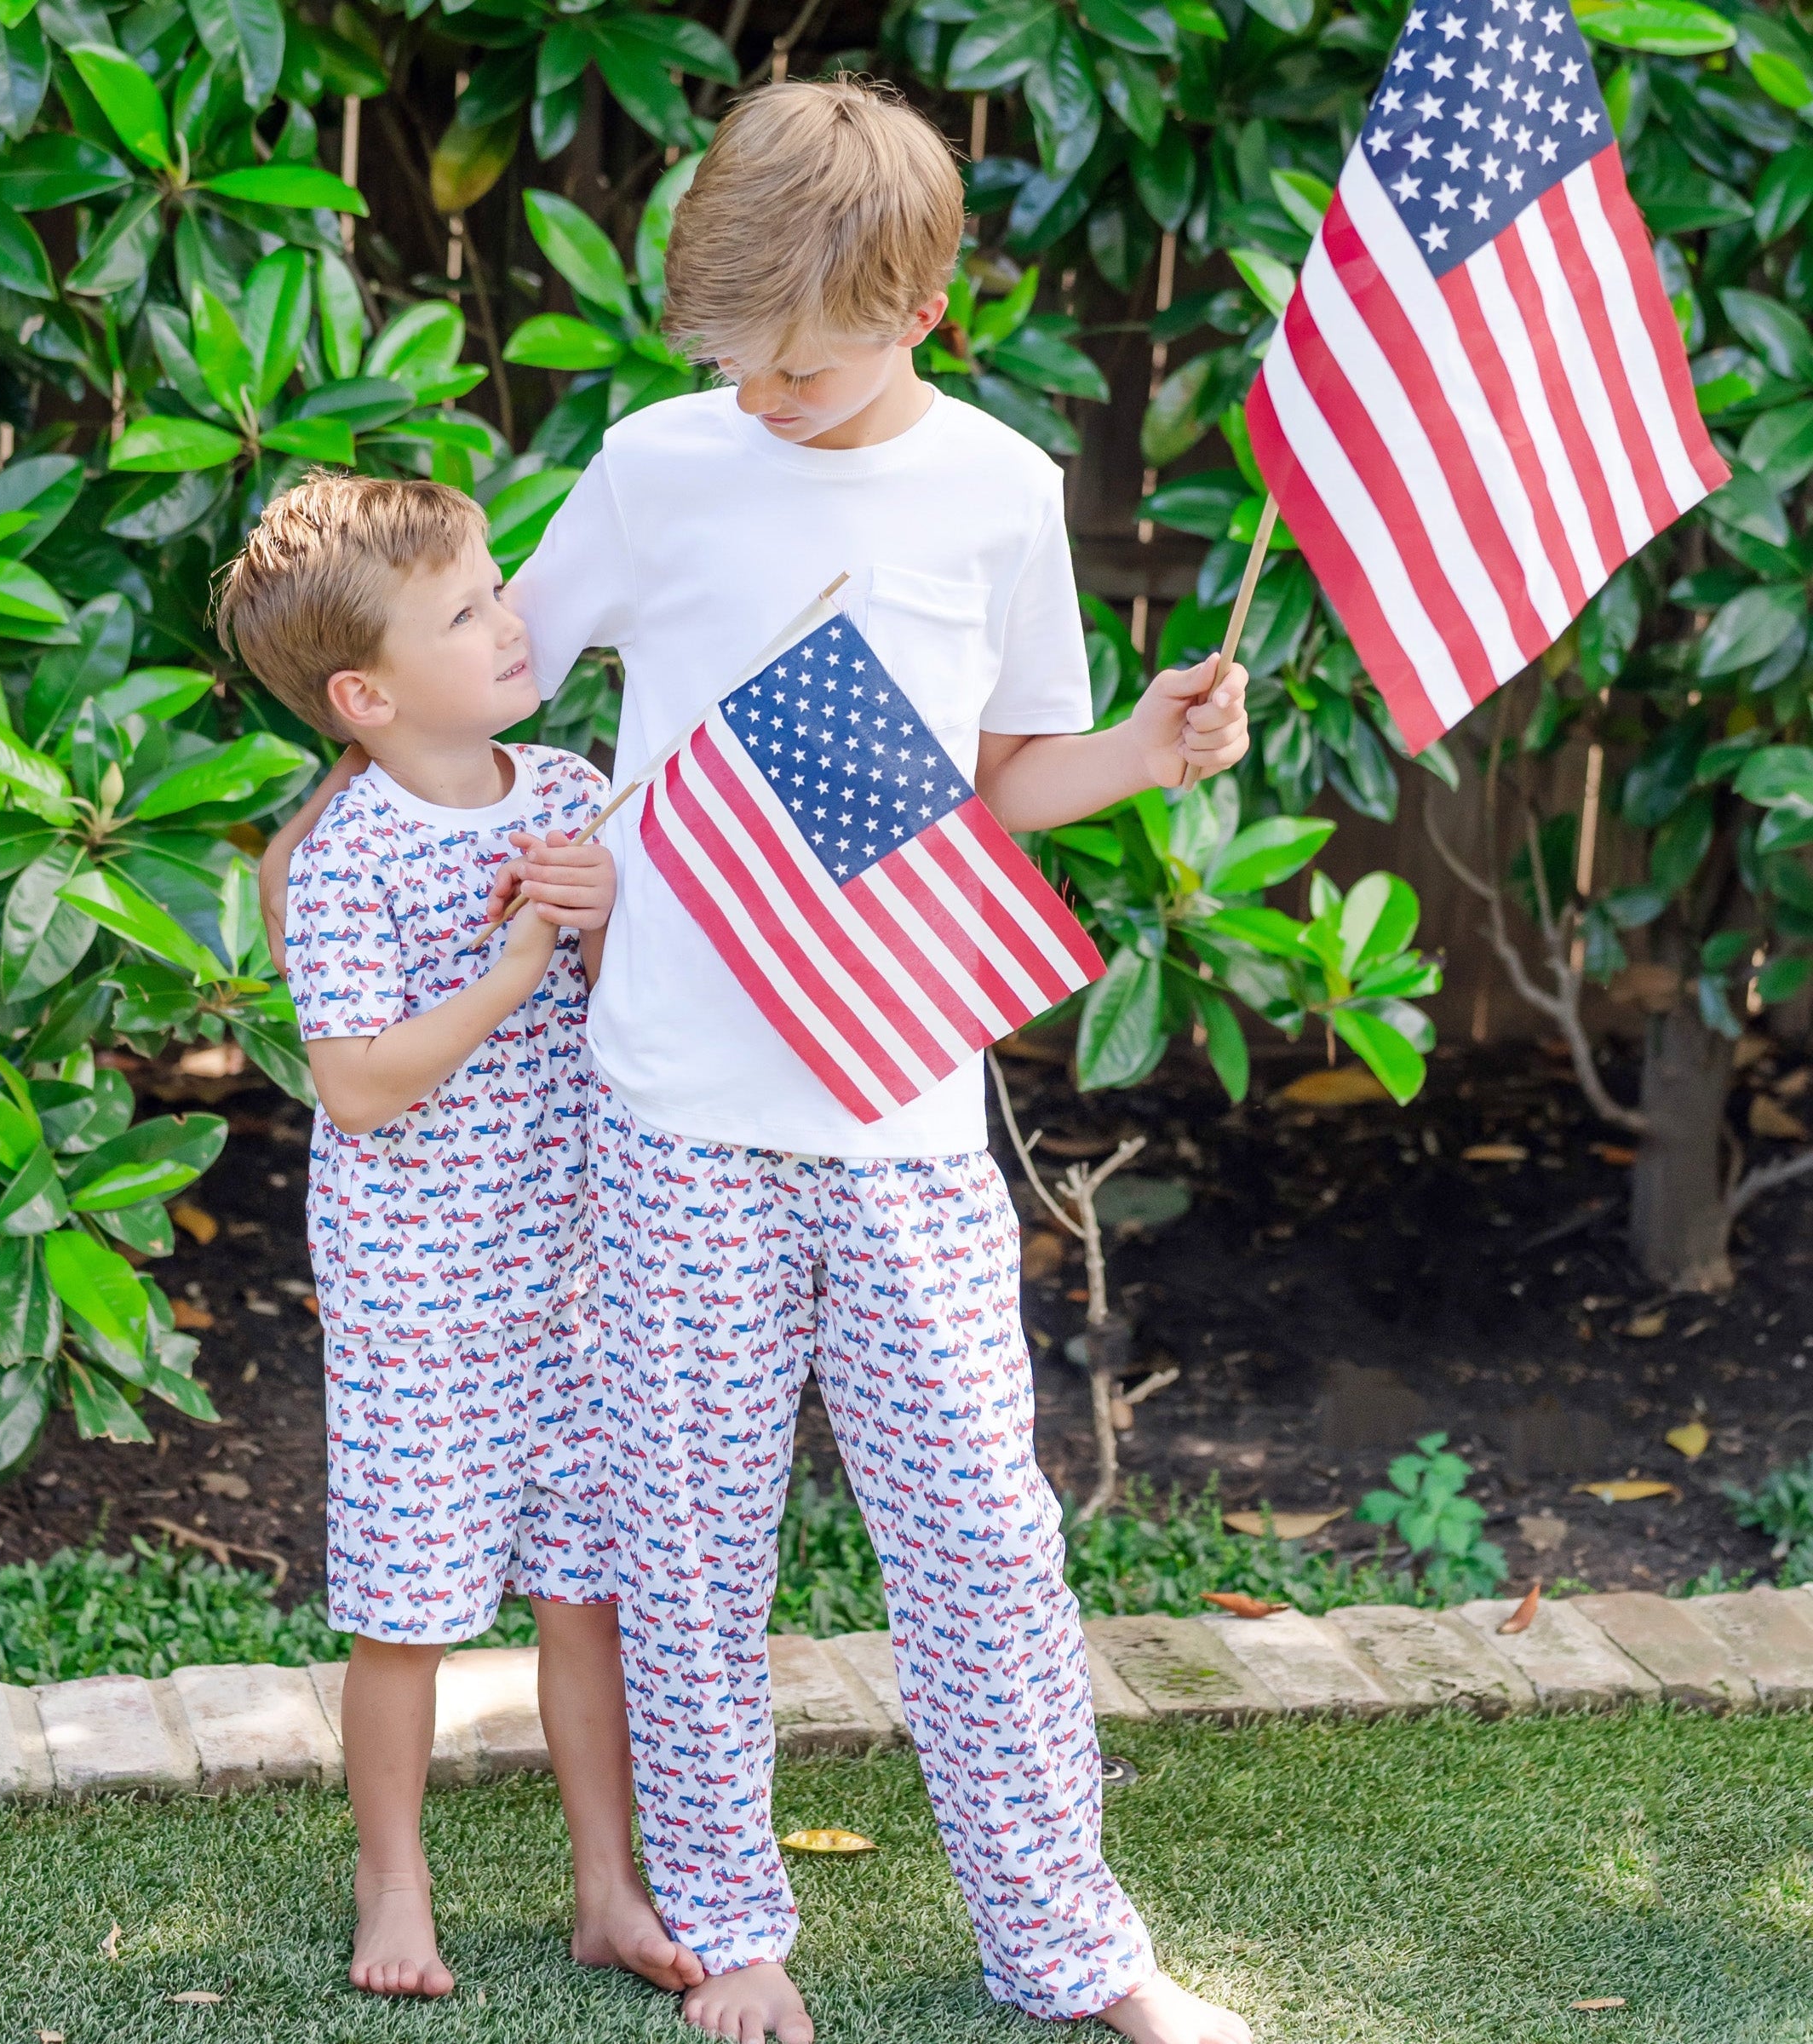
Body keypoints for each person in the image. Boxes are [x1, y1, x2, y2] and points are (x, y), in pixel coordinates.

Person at [262, 81, 1252, 2044]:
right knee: (689, 1556)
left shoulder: (998, 490)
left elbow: (994, 782)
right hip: (672, 1123)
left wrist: (1142, 753)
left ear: (922, 310)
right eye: (735, 358)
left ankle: (1076, 1951)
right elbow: (472, 676)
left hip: (901, 1110)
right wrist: (332, 822)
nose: (765, 394)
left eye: (802, 365)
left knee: (985, 1547)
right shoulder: (660, 464)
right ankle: (730, 1927)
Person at [219, 475, 704, 2004]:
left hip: (578, 1271)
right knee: (407, 1612)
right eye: (466, 612)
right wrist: (516, 961)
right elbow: (359, 1087)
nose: (510, 622)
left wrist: (606, 917)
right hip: (422, 1295)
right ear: (365, 697)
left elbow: (630, 1000)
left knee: (587, 1593)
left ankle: (608, 1889)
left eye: (496, 589)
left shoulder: (568, 789)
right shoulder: (346, 857)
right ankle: (394, 1890)